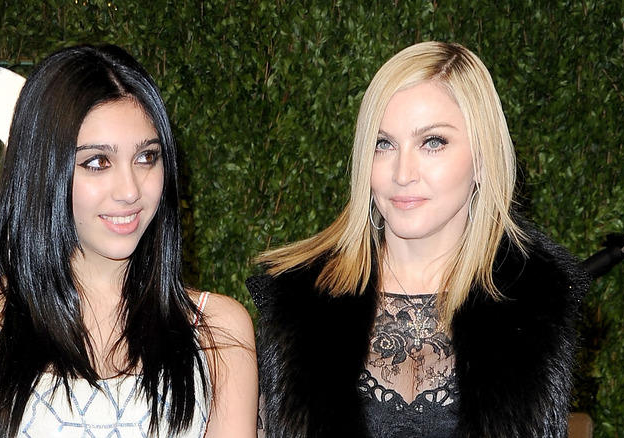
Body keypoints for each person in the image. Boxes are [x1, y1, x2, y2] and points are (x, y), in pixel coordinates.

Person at [0, 44, 257, 438]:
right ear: (44, 170)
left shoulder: (217, 334)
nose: (130, 190)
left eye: (146, 157)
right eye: (97, 163)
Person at [247, 41, 589, 438]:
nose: (403, 172)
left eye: (432, 142)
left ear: (482, 158)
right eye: (384, 144)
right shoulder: (297, 303)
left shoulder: (537, 305)